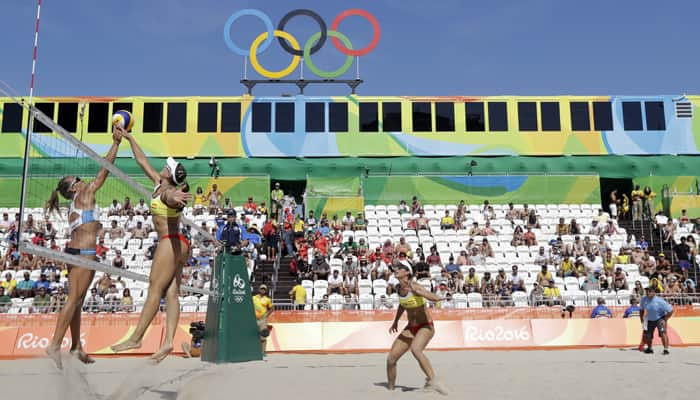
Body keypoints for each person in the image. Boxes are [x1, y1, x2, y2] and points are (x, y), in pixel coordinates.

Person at [110, 129, 193, 363]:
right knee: (172, 294)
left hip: (170, 242)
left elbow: (169, 198)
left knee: (155, 290)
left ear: (170, 175)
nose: (164, 167)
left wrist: (175, 198)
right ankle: (167, 343)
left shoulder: (166, 190)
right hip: (180, 243)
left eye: (168, 166)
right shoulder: (159, 183)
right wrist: (128, 137)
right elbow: (141, 160)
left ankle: (136, 337)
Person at [45, 127, 122, 368]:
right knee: (74, 299)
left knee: (78, 300)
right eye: (77, 179)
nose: (82, 180)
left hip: (80, 254)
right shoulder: (85, 194)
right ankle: (54, 345)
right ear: (74, 188)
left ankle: (76, 345)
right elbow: (105, 170)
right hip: (81, 255)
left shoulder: (79, 200)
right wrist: (116, 144)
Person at [386, 261, 446, 394]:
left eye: (400, 268)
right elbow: (403, 305)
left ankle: (433, 382)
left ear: (407, 272)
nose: (396, 270)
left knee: (415, 350)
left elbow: (433, 297)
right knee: (391, 359)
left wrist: (420, 293)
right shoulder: (398, 288)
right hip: (411, 327)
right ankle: (390, 390)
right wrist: (395, 321)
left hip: (426, 326)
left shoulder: (415, 287)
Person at [640, 286, 673, 355]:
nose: (648, 292)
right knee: (648, 335)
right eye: (647, 291)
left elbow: (670, 311)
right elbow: (641, 310)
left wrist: (665, 319)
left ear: (654, 293)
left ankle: (666, 349)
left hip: (659, 318)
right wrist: (642, 319)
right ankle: (649, 348)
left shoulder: (660, 301)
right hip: (649, 319)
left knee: (663, 333)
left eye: (649, 291)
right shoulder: (644, 299)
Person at [252, 284, 273, 356]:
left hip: (262, 320)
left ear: (266, 291)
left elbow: (272, 308)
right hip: (253, 319)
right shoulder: (253, 298)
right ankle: (254, 351)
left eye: (264, 289)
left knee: (263, 336)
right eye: (261, 289)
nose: (263, 290)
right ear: (259, 289)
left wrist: (266, 315)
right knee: (252, 336)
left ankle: (263, 352)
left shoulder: (267, 299)